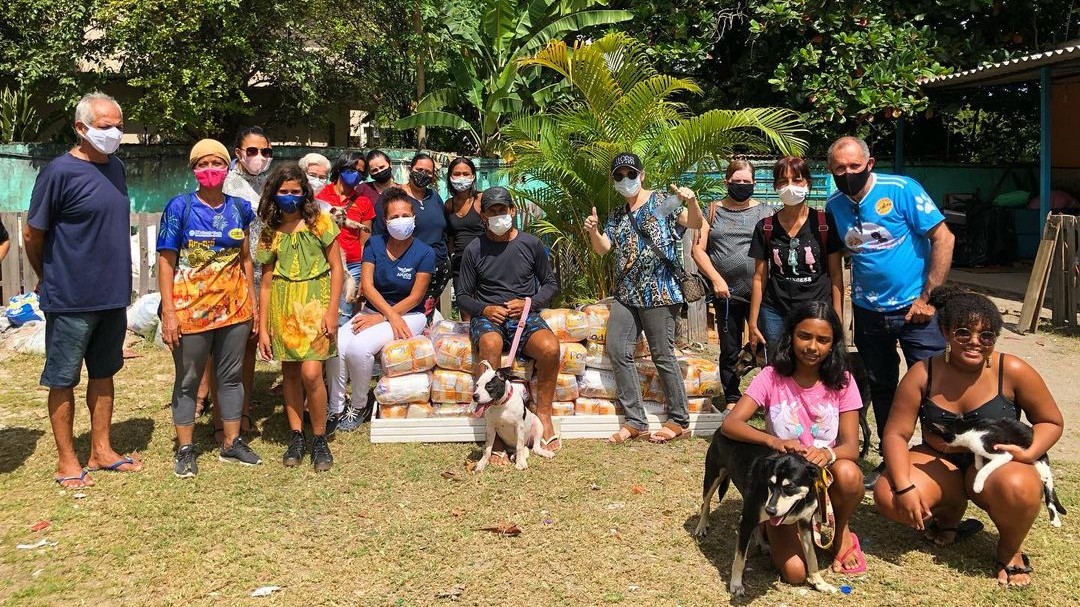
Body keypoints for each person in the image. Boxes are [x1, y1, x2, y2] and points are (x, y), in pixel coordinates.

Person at [873, 287, 1063, 587]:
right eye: (963, 332)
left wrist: (1028, 453)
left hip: (994, 467)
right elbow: (896, 433)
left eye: (986, 335)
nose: (975, 342)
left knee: (1019, 486)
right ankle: (950, 516)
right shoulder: (923, 373)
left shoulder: (1011, 369)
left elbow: (1050, 421)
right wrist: (905, 486)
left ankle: (1009, 550)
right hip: (940, 462)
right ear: (946, 331)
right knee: (888, 494)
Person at [23, 92, 144, 487]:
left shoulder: (117, 168)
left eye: (118, 126)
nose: (114, 133)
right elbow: (32, 234)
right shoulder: (58, 172)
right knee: (63, 378)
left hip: (112, 296)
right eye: (105, 126)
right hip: (70, 298)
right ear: (81, 127)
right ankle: (66, 462)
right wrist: (48, 276)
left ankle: (102, 449)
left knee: (104, 373)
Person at [824, 136, 955, 487]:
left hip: (917, 311)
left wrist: (929, 297)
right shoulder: (834, 204)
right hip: (869, 312)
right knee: (882, 387)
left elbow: (944, 238)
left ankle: (937, 460)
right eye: (840, 168)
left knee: (932, 384)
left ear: (869, 163)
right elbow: (838, 257)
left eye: (854, 166)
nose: (848, 173)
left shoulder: (901, 189)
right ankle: (891, 458)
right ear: (830, 170)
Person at [722, 301, 867, 581]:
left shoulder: (843, 381)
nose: (813, 346)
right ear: (790, 336)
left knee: (849, 474)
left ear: (833, 344)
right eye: (805, 336)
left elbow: (851, 446)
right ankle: (773, 524)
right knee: (795, 573)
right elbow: (730, 424)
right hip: (783, 484)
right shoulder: (771, 377)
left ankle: (842, 532)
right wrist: (773, 442)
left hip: (820, 476)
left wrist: (829, 454)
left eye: (823, 340)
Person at [583, 152, 704, 444]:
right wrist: (594, 231)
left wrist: (691, 200)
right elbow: (603, 249)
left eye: (631, 174)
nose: (626, 180)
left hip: (660, 292)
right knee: (617, 349)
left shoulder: (661, 202)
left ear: (642, 174)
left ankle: (678, 420)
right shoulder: (617, 214)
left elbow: (695, 223)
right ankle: (636, 420)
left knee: (663, 355)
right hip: (627, 293)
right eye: (619, 176)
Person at [157, 139, 262, 477]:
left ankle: (231, 443)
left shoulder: (240, 208)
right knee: (188, 380)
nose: (211, 170)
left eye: (217, 163)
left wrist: (254, 304)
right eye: (203, 164)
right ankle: (185, 448)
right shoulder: (180, 208)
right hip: (190, 309)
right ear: (193, 170)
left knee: (230, 377)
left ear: (227, 166)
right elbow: (165, 262)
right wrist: (169, 312)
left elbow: (245, 258)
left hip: (234, 310)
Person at [456, 186, 562, 456]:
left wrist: (529, 303)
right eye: (492, 211)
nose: (498, 216)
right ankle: (495, 428)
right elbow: (463, 296)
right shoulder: (474, 249)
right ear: (483, 217)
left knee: (550, 347)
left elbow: (550, 284)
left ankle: (544, 415)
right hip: (489, 317)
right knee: (490, 343)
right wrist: (486, 308)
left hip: (524, 316)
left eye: (502, 210)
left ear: (512, 211)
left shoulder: (531, 244)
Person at [256, 164, 343, 471]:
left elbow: (338, 269)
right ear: (273, 193)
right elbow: (265, 282)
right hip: (283, 308)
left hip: (315, 306)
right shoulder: (269, 230)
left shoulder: (319, 222)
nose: (290, 197)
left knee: (311, 374)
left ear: (305, 192)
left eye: (295, 191)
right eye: (284, 192)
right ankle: (296, 436)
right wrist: (264, 328)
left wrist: (332, 311)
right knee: (290, 374)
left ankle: (318, 437)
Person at [331, 187, 435, 431]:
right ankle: (335, 407)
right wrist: (382, 316)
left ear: (414, 217)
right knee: (336, 344)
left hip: (410, 315)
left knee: (359, 349)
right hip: (377, 312)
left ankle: (359, 404)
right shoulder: (375, 244)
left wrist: (385, 317)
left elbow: (416, 296)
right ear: (385, 221)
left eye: (405, 215)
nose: (401, 221)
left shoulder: (425, 252)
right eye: (394, 217)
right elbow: (366, 285)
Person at [691, 159, 774, 411]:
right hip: (726, 294)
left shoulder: (767, 212)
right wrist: (716, 278)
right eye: (736, 181)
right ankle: (731, 396)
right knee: (729, 347)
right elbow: (698, 249)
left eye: (746, 182)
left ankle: (768, 395)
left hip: (762, 293)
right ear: (726, 182)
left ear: (754, 184)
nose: (741, 186)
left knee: (765, 348)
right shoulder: (711, 211)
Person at [748, 156, 843, 352]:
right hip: (775, 311)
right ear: (776, 186)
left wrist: (838, 320)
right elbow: (759, 277)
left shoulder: (824, 224)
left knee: (813, 366)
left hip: (816, 311)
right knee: (778, 367)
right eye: (783, 181)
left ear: (807, 183)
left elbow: (836, 276)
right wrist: (753, 322)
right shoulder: (765, 227)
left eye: (797, 179)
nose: (790, 186)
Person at [222, 126, 274, 430]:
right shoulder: (227, 184)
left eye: (265, 151)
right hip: (232, 271)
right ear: (238, 153)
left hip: (263, 272)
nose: (259, 157)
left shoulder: (270, 183)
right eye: (252, 151)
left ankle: (242, 407)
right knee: (222, 342)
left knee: (250, 341)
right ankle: (207, 396)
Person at [372, 153, 450, 313]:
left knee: (425, 320)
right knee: (402, 319)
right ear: (410, 169)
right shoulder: (393, 196)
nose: (423, 174)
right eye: (419, 169)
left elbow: (443, 229)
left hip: (438, 269)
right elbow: (378, 234)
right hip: (407, 272)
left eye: (428, 172)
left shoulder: (434, 197)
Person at [315, 151, 375, 322]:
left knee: (343, 316)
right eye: (352, 168)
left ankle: (339, 350)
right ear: (341, 167)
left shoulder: (363, 202)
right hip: (323, 262)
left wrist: (365, 277)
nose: (356, 174)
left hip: (352, 265)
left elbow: (365, 242)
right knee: (319, 313)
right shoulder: (320, 195)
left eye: (361, 172)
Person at [445, 157, 485, 289]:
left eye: (466, 174)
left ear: (473, 176)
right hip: (459, 266)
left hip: (483, 263)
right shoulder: (449, 204)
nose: (461, 177)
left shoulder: (481, 199)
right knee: (465, 305)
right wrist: (452, 254)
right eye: (456, 174)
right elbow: (450, 235)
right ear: (450, 177)